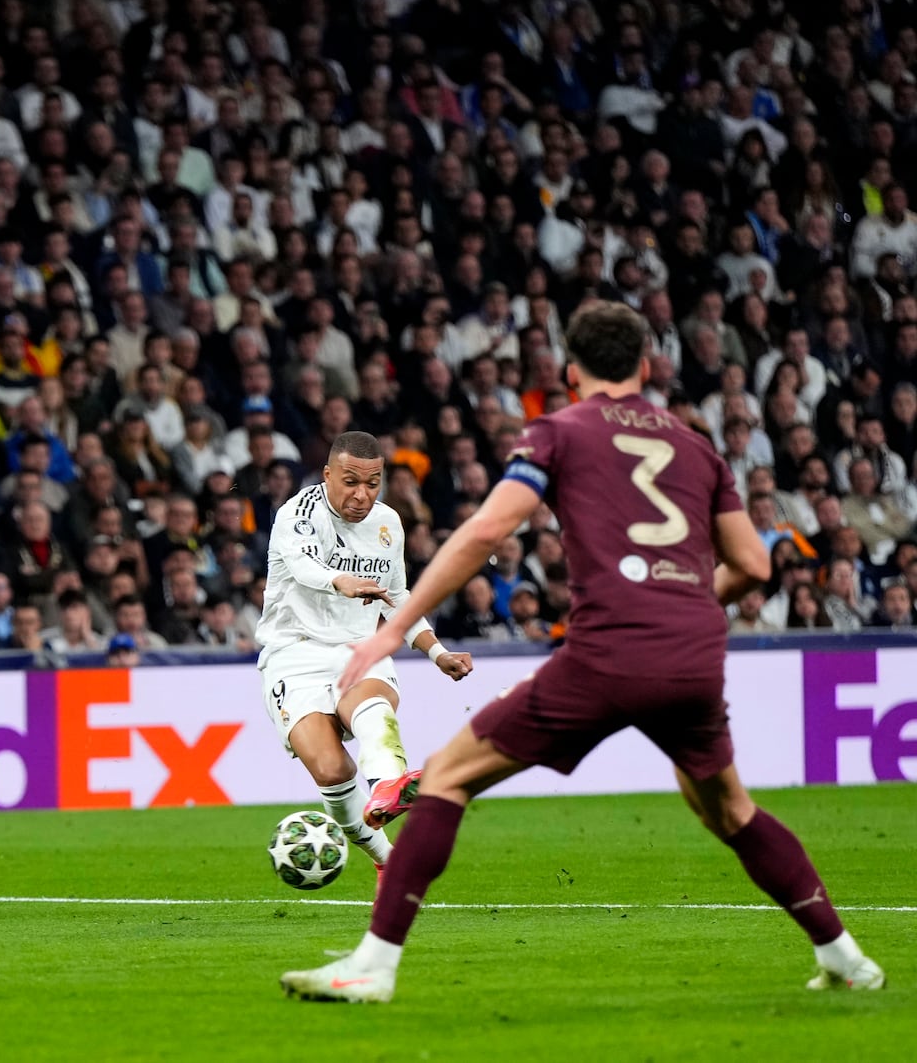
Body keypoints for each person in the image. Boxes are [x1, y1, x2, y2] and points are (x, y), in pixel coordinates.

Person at [282, 303, 883, 1002]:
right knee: (731, 809)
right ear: (647, 367)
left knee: (445, 777)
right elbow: (753, 563)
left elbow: (489, 528)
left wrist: (396, 626)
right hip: (694, 656)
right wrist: (682, 601)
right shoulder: (698, 446)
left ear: (571, 372)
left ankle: (373, 967)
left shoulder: (559, 430)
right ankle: (845, 957)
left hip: (607, 653)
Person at [255, 430, 473, 890]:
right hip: (293, 652)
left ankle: (389, 783)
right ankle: (387, 859)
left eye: (373, 483)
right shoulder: (296, 514)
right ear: (328, 474)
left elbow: (398, 596)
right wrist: (341, 581)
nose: (362, 494)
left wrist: (435, 650)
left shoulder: (388, 524)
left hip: (359, 649)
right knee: (331, 770)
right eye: (351, 481)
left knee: (372, 704)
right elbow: (302, 567)